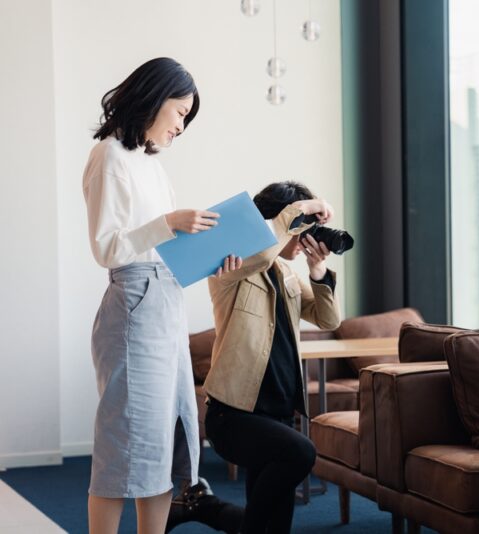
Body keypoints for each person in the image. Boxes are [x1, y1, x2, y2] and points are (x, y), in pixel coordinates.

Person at [83, 57, 243, 534]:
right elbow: (107, 247)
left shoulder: (152, 165)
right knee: (123, 445)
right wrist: (171, 223)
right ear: (153, 100)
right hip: (133, 307)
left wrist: (213, 259)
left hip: (165, 303)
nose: (181, 127)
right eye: (180, 113)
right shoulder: (109, 155)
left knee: (167, 442)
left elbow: (162, 251)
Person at [203, 181, 341, 534]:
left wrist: (318, 271)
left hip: (278, 412)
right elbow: (264, 252)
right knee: (302, 453)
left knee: (276, 525)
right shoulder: (230, 266)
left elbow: (329, 320)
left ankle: (206, 508)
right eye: (301, 228)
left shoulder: (287, 275)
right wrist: (304, 210)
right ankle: (215, 511)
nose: (305, 236)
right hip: (234, 413)